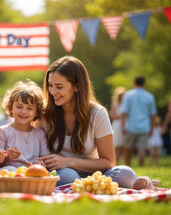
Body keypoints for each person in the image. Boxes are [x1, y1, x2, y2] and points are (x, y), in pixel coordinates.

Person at [39, 56, 155, 189]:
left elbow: (109, 161)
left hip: (94, 173)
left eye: (59, 87)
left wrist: (67, 161)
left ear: (77, 87)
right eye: (50, 85)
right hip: (62, 173)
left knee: (125, 174)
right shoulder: (45, 114)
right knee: (67, 176)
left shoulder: (97, 114)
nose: (52, 92)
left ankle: (91, 185)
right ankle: (94, 186)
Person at [0, 81, 50, 171]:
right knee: (11, 169)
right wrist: (7, 157)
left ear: (36, 112)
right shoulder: (3, 131)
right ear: (11, 108)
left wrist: (40, 164)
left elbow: (45, 159)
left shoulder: (40, 134)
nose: (23, 111)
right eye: (19, 107)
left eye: (29, 108)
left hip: (32, 174)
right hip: (9, 175)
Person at [121, 76, 157, 166]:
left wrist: (122, 126)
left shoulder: (128, 95)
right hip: (144, 127)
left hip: (131, 126)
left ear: (134, 83)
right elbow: (153, 114)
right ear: (144, 84)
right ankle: (141, 166)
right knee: (142, 149)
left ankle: (127, 166)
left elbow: (124, 112)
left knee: (128, 148)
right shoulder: (150, 96)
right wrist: (152, 128)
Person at [110, 87, 126, 164]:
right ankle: (117, 162)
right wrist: (121, 116)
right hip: (117, 125)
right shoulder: (115, 104)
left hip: (124, 124)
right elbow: (112, 116)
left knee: (124, 145)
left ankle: (125, 162)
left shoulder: (126, 104)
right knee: (116, 145)